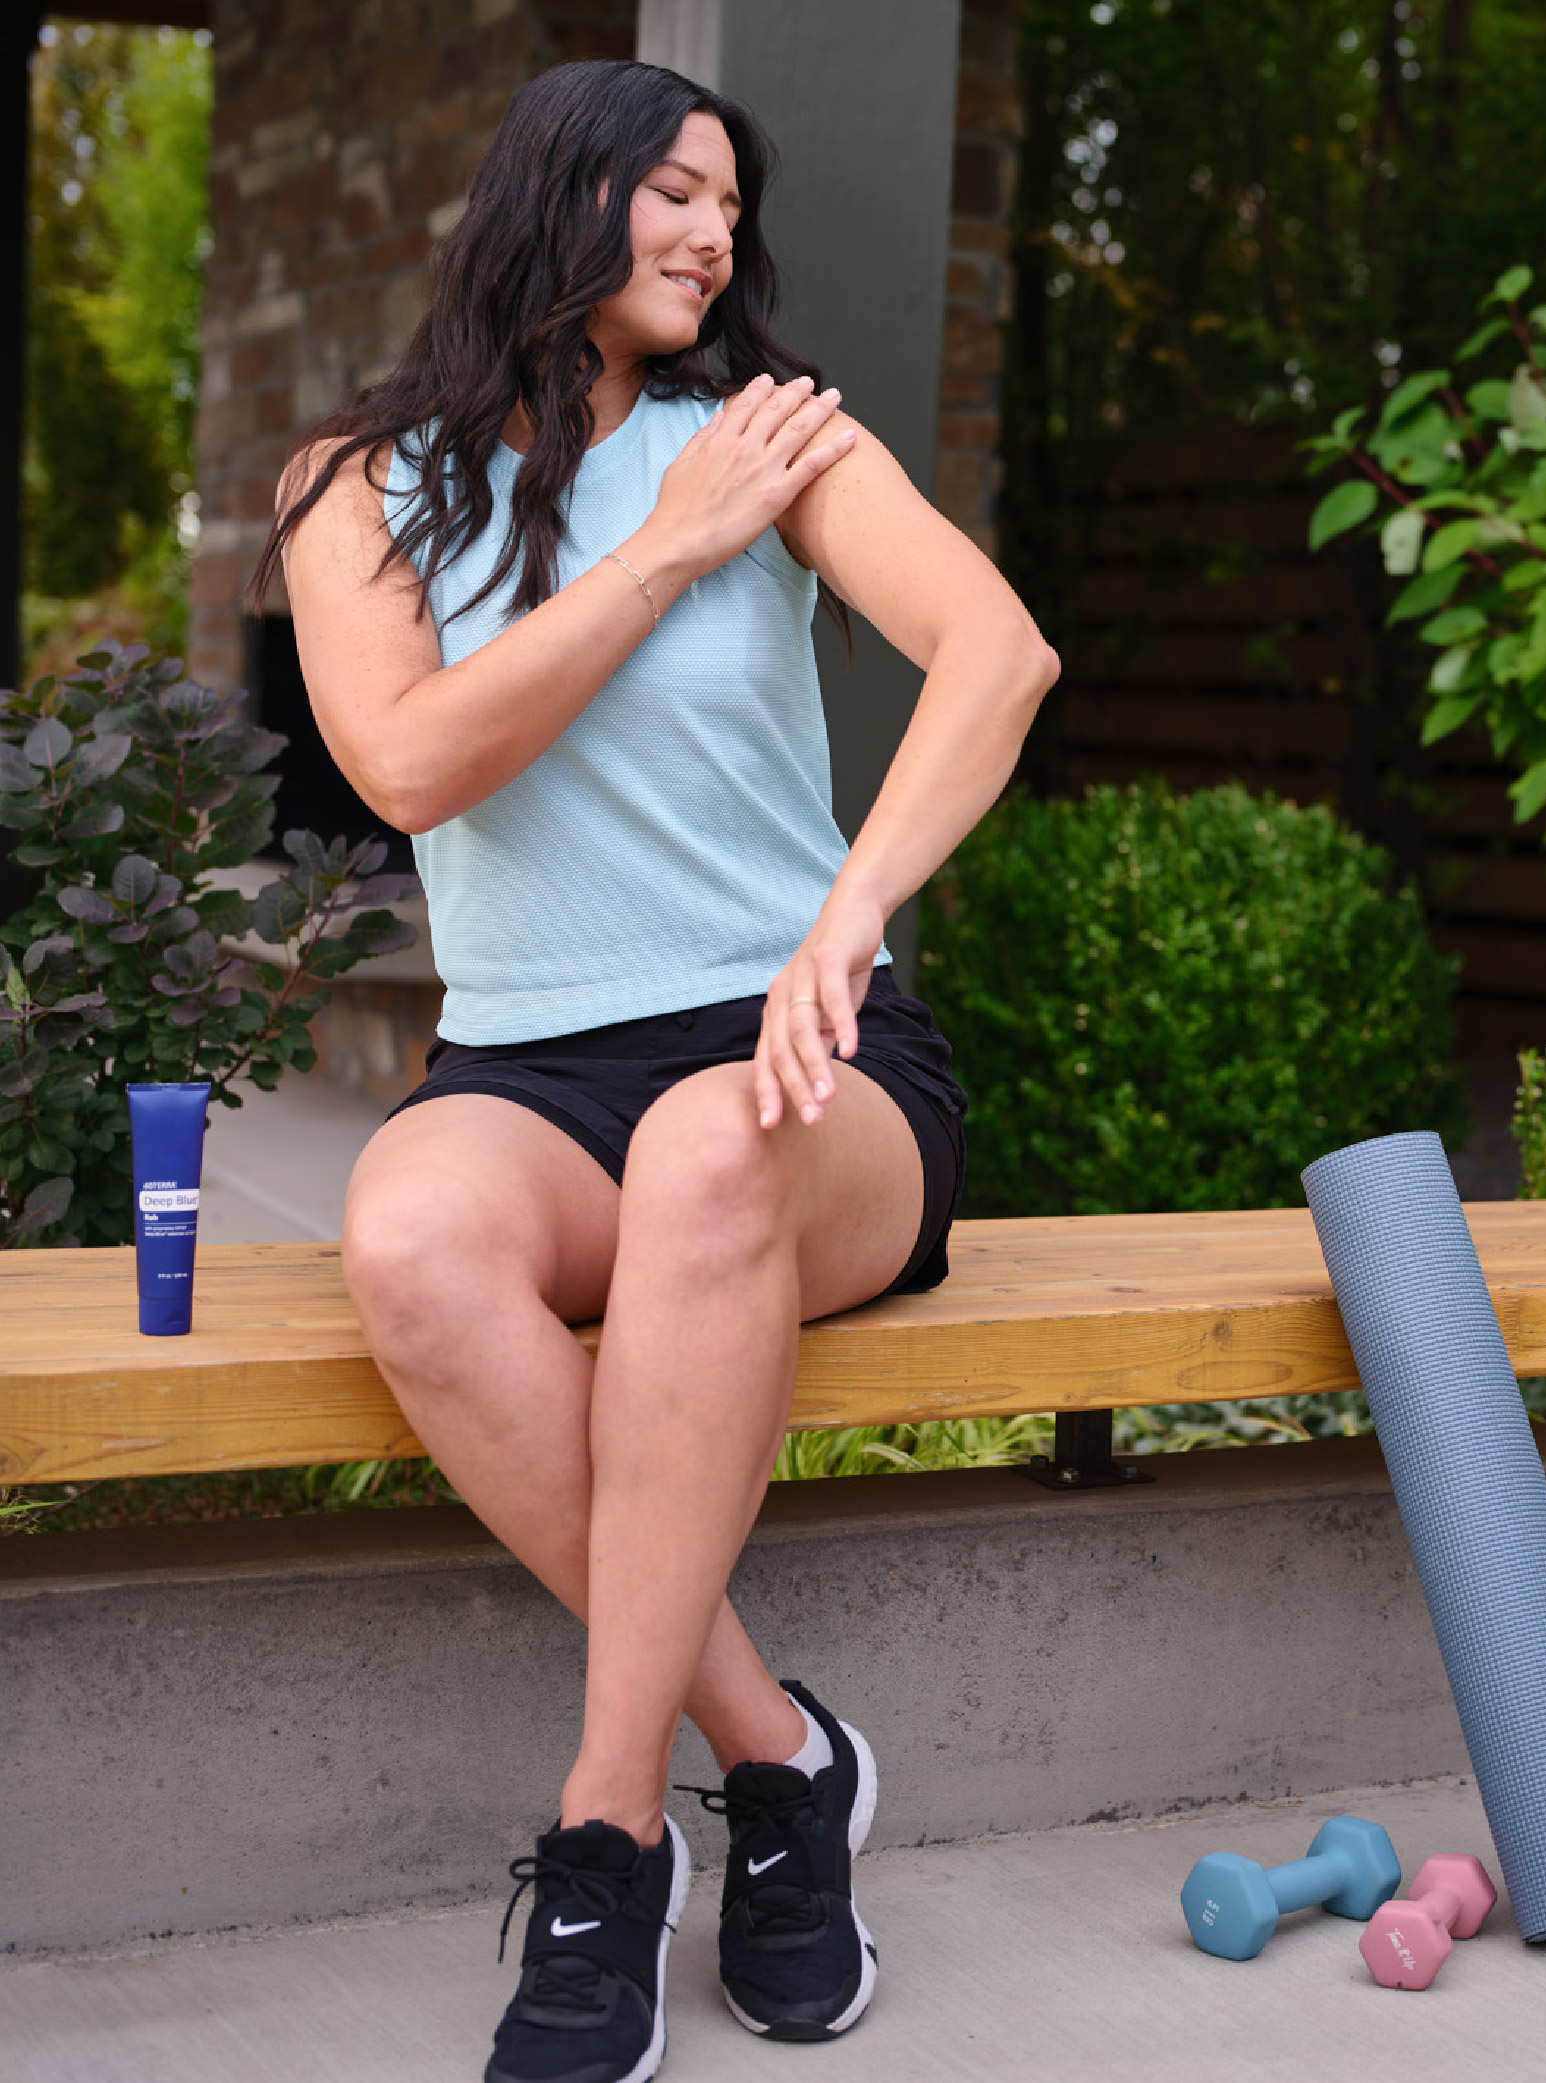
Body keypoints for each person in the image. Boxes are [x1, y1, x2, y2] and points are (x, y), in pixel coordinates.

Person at [252, 57, 1056, 2083]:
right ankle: (780, 1763)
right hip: (528, 1070)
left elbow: (1000, 654)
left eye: (731, 205)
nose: (713, 234)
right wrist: (663, 554)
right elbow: (408, 763)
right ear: (564, 189)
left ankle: (608, 1837)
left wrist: (851, 912)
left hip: (811, 1065)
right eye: (675, 191)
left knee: (710, 1150)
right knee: (408, 1240)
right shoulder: (357, 482)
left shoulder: (772, 440)